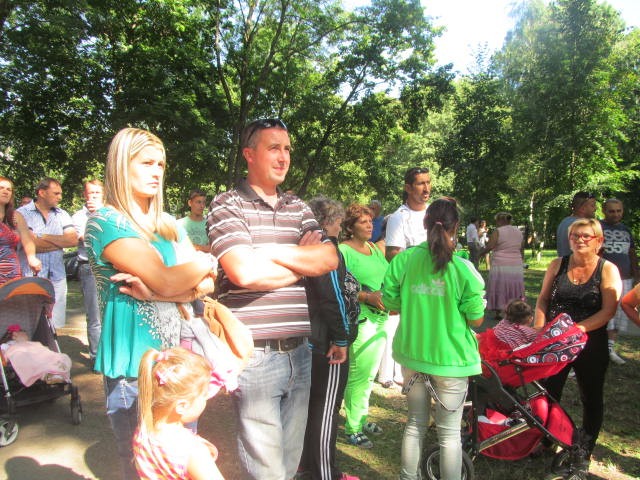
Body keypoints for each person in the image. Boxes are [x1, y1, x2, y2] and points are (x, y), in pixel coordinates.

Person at [207, 118, 338, 480]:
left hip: (301, 351)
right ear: (249, 155)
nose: (284, 157)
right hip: (255, 356)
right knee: (267, 471)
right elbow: (243, 273)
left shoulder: (298, 206)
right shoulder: (226, 204)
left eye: (288, 149)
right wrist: (300, 264)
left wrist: (266, 250)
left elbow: (329, 259)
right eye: (274, 148)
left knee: (290, 463)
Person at [85, 127, 216, 480]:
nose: (156, 172)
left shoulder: (168, 224)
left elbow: (205, 285)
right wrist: (205, 261)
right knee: (143, 467)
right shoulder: (105, 222)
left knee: (181, 462)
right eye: (146, 163)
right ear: (121, 166)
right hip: (134, 369)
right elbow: (170, 278)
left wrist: (164, 290)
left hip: (177, 364)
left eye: (160, 164)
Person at [382, 197, 484, 480]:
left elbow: (390, 302)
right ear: (457, 227)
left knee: (414, 424)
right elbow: (476, 318)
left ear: (425, 224)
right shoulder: (463, 268)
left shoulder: (404, 260)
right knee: (449, 435)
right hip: (452, 360)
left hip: (412, 355)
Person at [535, 218, 621, 461]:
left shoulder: (607, 269)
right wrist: (539, 329)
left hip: (590, 343)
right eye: (575, 236)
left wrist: (577, 330)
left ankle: (585, 449)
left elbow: (608, 311)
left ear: (599, 241)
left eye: (586, 236)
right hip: (555, 341)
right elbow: (543, 300)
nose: (580, 240)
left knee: (590, 396)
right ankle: (546, 440)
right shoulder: (557, 264)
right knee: (548, 392)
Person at [299, 196, 359, 480]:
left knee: (309, 406)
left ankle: (305, 465)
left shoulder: (301, 245)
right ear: (328, 221)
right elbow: (332, 295)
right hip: (325, 343)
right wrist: (341, 338)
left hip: (306, 339)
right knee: (326, 409)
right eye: (338, 221)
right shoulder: (325, 247)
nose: (340, 226)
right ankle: (325, 473)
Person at [339, 203, 389, 449]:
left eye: (371, 221)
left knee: (370, 374)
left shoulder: (373, 248)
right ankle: (353, 428)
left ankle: (361, 416)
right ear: (350, 227)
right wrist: (366, 297)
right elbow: (339, 285)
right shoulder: (343, 251)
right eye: (363, 222)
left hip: (381, 319)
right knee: (359, 375)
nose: (370, 226)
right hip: (361, 318)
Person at [133, 347, 225, 480]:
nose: (206, 400)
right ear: (182, 406)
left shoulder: (143, 433)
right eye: (204, 395)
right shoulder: (191, 451)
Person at [378, 167, 431, 389]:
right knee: (405, 329)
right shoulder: (399, 217)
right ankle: (400, 374)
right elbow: (393, 254)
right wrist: (421, 261)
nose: (426, 188)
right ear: (408, 188)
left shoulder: (435, 213)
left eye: (428, 182)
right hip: (412, 283)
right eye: (420, 183)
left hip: (437, 281)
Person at [17, 177, 78, 328]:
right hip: (32, 275)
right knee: (31, 321)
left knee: (54, 323)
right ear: (42, 193)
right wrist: (59, 242)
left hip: (57, 275)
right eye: (56, 193)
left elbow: (72, 240)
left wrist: (43, 237)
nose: (60, 197)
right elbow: (31, 244)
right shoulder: (22, 213)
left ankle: (52, 342)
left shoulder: (62, 214)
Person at [599, 198, 639, 365]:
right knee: (604, 313)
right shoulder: (598, 227)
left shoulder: (626, 230)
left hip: (625, 278)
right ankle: (598, 348)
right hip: (605, 278)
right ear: (604, 211)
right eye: (611, 211)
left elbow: (632, 253)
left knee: (619, 315)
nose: (615, 214)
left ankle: (610, 349)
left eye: (618, 211)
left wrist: (636, 274)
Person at [71, 179, 104, 366]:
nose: (93, 196)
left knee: (112, 313)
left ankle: (110, 355)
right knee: (94, 316)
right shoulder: (78, 217)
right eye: (90, 193)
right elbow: (85, 238)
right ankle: (96, 358)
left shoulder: (110, 212)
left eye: (97, 193)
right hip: (89, 267)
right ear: (84, 195)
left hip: (110, 267)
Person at [482, 212, 526, 320]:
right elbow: (521, 248)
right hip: (515, 263)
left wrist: (480, 253)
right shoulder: (518, 232)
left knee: (500, 286)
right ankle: (515, 310)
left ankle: (499, 311)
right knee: (514, 286)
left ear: (500, 220)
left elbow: (490, 246)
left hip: (501, 263)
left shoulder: (498, 231)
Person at [0, 177, 41, 284]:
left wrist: (31, 258)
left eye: (9, 189)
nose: (5, 191)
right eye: (1, 188)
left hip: (11, 271)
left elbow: (27, 240)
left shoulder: (16, 216)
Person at [556, 191, 597, 257]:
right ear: (582, 209)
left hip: (564, 262)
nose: (595, 208)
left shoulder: (564, 221)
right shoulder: (581, 225)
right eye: (592, 205)